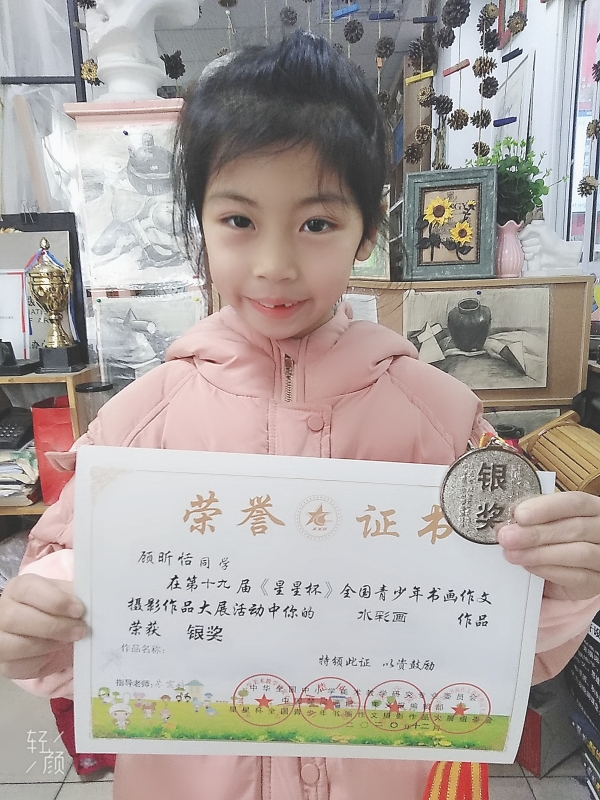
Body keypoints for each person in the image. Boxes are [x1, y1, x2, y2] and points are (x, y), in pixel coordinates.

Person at [1, 32, 600, 800]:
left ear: (367, 232)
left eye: (316, 223)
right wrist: (40, 622)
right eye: (238, 220)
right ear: (198, 224)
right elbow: (74, 618)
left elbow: (513, 646)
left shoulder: (445, 422)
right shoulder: (137, 426)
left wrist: (563, 581)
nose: (275, 265)